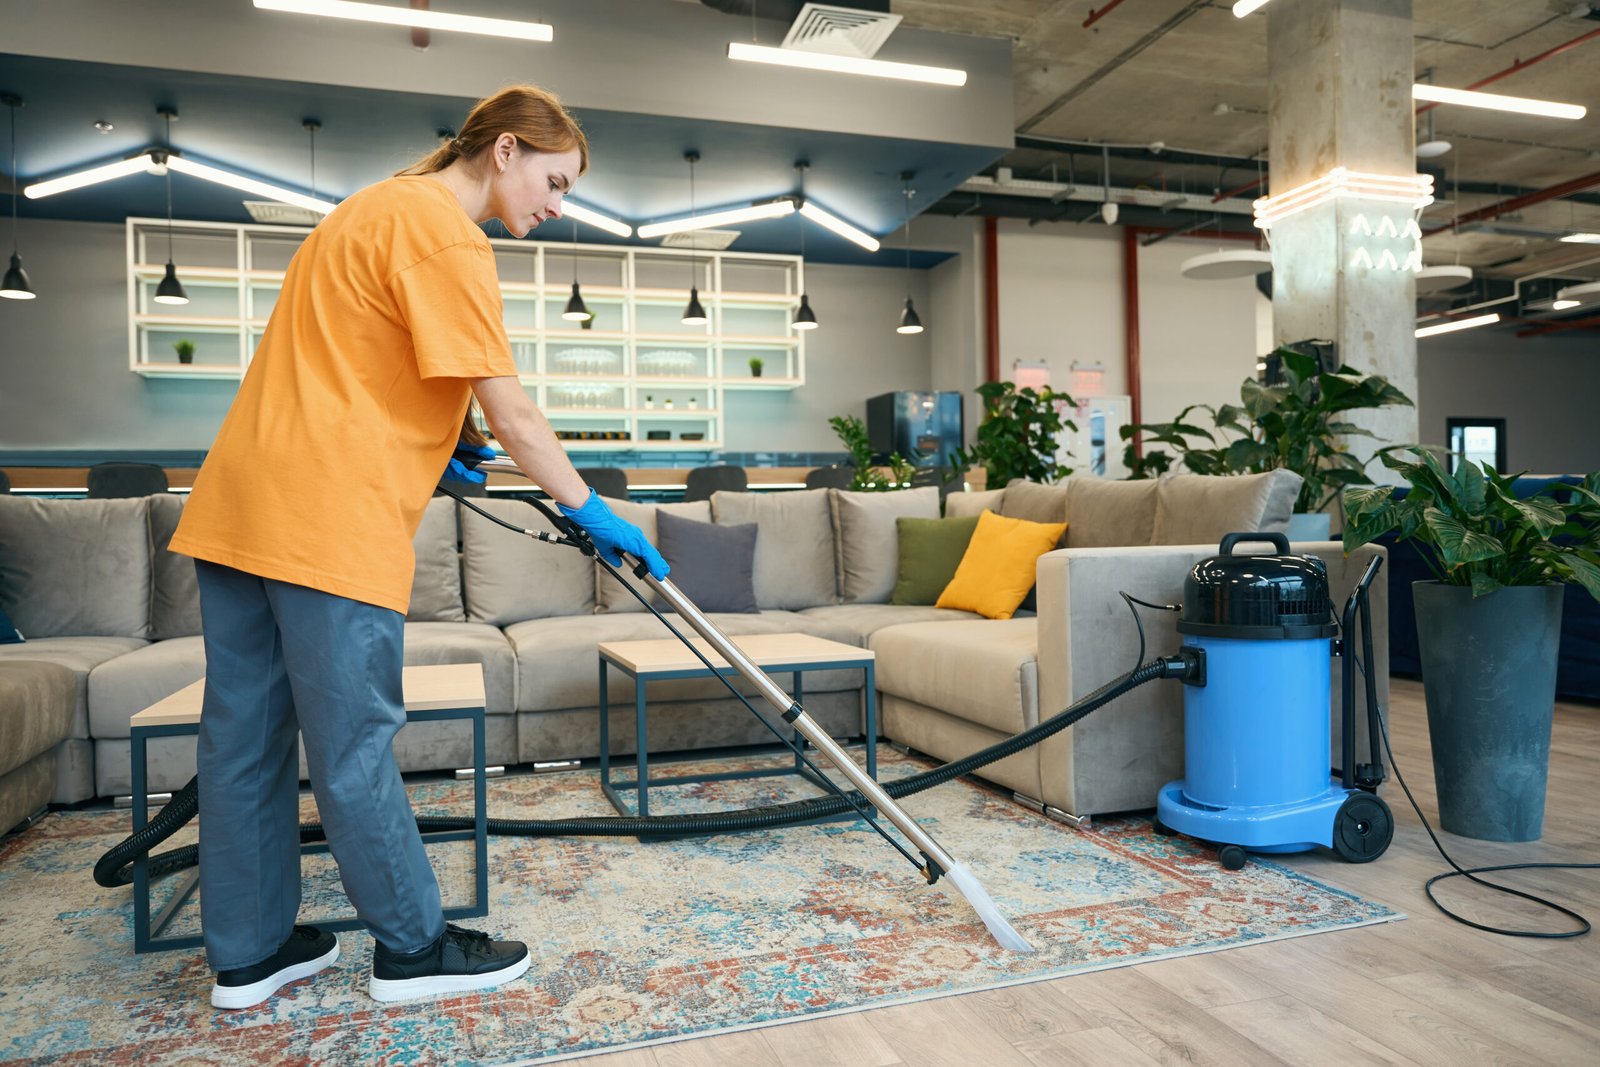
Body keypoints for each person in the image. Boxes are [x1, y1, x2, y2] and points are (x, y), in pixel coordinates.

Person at [169, 84, 667, 1011]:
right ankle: (414, 947)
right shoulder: (447, 233)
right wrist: (592, 503)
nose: (557, 206)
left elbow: (358, 360)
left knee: (243, 733)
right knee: (354, 740)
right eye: (555, 181)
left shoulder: (364, 209)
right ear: (506, 150)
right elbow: (511, 407)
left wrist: (443, 439)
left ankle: (251, 951)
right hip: (326, 512)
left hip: (241, 497)